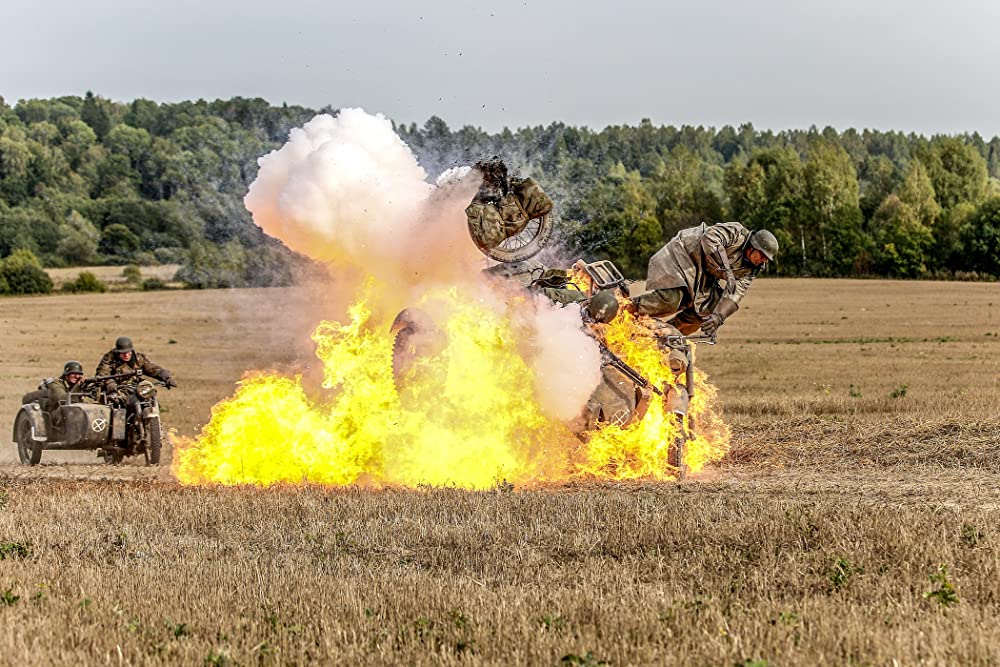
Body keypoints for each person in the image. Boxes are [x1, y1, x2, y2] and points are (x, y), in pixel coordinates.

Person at [629, 222, 778, 335]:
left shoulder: (752, 269)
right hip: (683, 254)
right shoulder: (736, 233)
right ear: (753, 246)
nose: (763, 260)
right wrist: (727, 270)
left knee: (708, 310)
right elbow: (709, 238)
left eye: (767, 259)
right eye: (762, 255)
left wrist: (718, 318)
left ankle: (665, 335)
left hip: (704, 274)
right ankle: (627, 309)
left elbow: (735, 294)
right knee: (672, 298)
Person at [95, 336, 176, 393]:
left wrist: (167, 377)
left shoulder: (138, 359)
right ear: (118, 352)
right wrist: (110, 382)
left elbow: (153, 369)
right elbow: (102, 374)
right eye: (123, 353)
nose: (126, 355)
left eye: (128, 352)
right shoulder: (109, 360)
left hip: (137, 388)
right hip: (117, 390)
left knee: (151, 399)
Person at [44, 361, 87, 430]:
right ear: (66, 374)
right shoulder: (55, 383)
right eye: (73, 374)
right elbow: (62, 400)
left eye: (79, 374)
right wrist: (78, 387)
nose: (76, 376)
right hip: (54, 415)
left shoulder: (77, 384)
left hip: (72, 413)